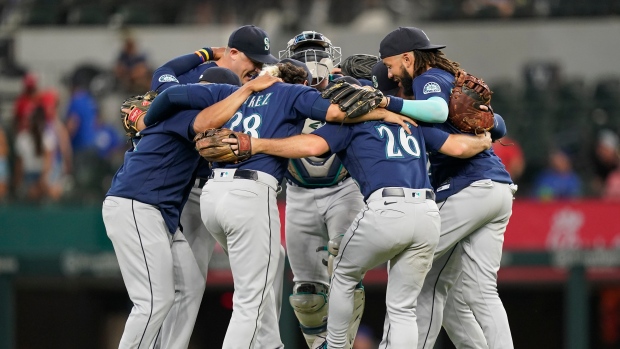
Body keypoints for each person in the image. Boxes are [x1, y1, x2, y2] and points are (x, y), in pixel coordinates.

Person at [146, 61, 412, 349]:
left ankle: (271, 344)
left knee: (271, 263)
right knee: (251, 299)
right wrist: (383, 111)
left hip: (213, 193)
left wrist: (146, 121)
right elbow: (336, 113)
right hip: (250, 192)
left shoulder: (230, 90)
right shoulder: (294, 93)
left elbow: (171, 96)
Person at [227, 90, 493, 349]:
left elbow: (309, 146)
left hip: (387, 208)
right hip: (427, 212)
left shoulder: (349, 123)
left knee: (343, 274)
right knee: (403, 308)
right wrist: (484, 140)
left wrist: (257, 144)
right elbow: (457, 147)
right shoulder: (413, 118)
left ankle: (336, 346)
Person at [103, 73, 280, 349]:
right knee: (153, 301)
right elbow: (205, 119)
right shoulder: (184, 112)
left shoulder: (189, 121)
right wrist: (245, 90)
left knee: (190, 285)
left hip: (159, 214)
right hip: (136, 204)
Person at [378, 26, 516, 349]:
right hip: (497, 189)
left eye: (391, 66)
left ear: (408, 59)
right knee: (475, 292)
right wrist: (490, 127)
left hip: (468, 187)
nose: (391, 74)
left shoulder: (427, 79)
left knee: (407, 266)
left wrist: (388, 105)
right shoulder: (445, 78)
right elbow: (499, 124)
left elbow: (442, 121)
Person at [144, 24, 280, 349]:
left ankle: (269, 343)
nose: (256, 66)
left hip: (216, 189)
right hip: (188, 192)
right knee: (179, 286)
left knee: (260, 268)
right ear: (231, 54)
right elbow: (163, 76)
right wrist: (206, 52)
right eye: (252, 59)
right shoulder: (201, 83)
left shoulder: (256, 87)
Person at [279, 31, 367, 347]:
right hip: (298, 192)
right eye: (303, 53)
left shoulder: (350, 89)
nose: (310, 60)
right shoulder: (278, 92)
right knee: (306, 296)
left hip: (345, 189)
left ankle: (341, 344)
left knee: (347, 277)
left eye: (316, 53)